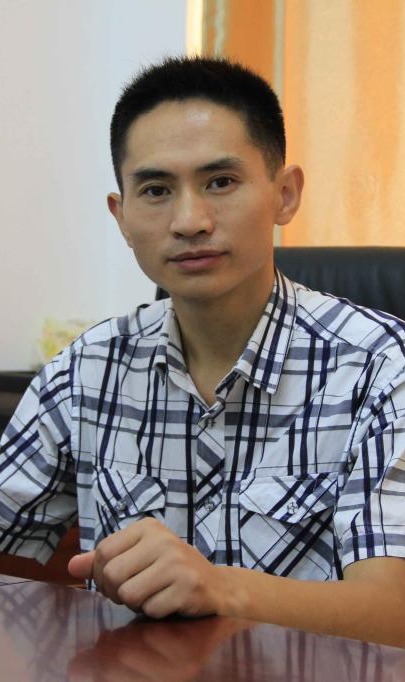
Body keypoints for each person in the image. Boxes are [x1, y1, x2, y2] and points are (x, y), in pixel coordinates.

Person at [1, 57, 405, 648]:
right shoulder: (88, 369)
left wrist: (219, 588)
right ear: (122, 216)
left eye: (221, 182)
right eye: (156, 190)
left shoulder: (382, 368)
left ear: (285, 194)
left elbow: (393, 613)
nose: (190, 221)